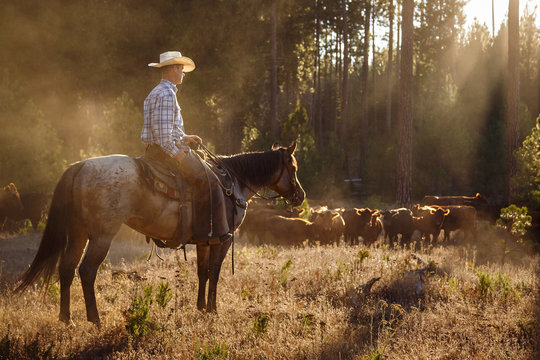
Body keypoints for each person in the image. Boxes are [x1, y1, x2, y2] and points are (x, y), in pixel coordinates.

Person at [142, 51, 231, 245]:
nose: (183, 73)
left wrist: (184, 136)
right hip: (165, 152)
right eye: (181, 69)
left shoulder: (155, 92)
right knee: (211, 182)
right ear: (174, 69)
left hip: (154, 150)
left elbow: (165, 128)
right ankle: (209, 233)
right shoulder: (167, 94)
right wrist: (177, 154)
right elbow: (163, 137)